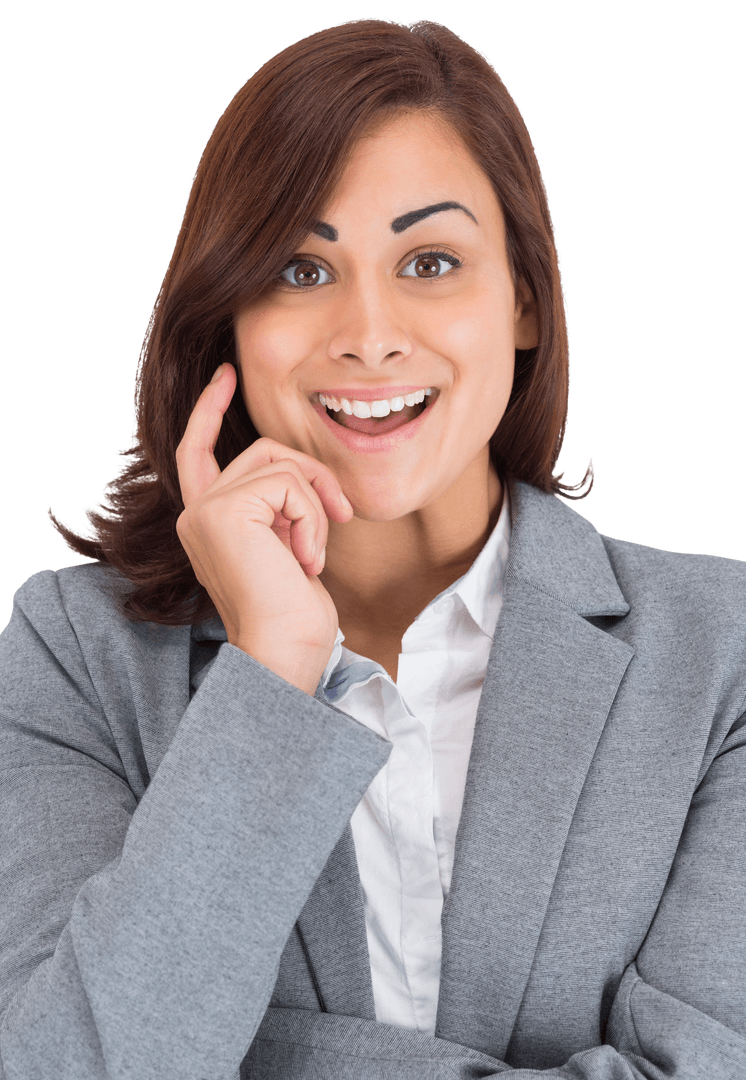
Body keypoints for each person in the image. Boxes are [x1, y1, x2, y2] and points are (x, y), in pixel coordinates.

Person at [0, 15, 744, 1080]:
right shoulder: (73, 655)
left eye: (430, 261)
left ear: (523, 299)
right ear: (227, 321)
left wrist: (254, 1054)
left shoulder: (722, 656)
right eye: (300, 271)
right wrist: (268, 669)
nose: (368, 332)